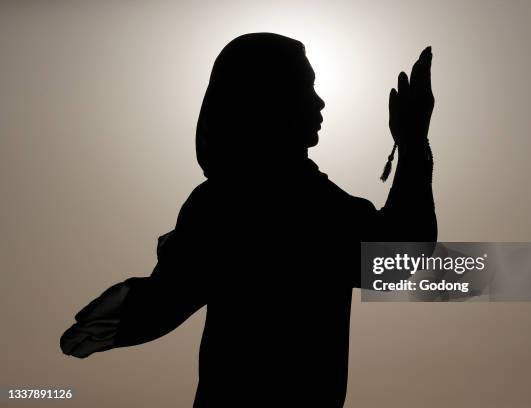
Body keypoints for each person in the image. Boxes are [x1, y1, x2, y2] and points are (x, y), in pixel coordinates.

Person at [60, 32, 437, 407]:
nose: (319, 102)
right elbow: (406, 256)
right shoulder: (308, 208)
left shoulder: (223, 201)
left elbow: (167, 298)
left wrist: (108, 323)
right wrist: (414, 141)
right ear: (270, 99)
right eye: (306, 87)